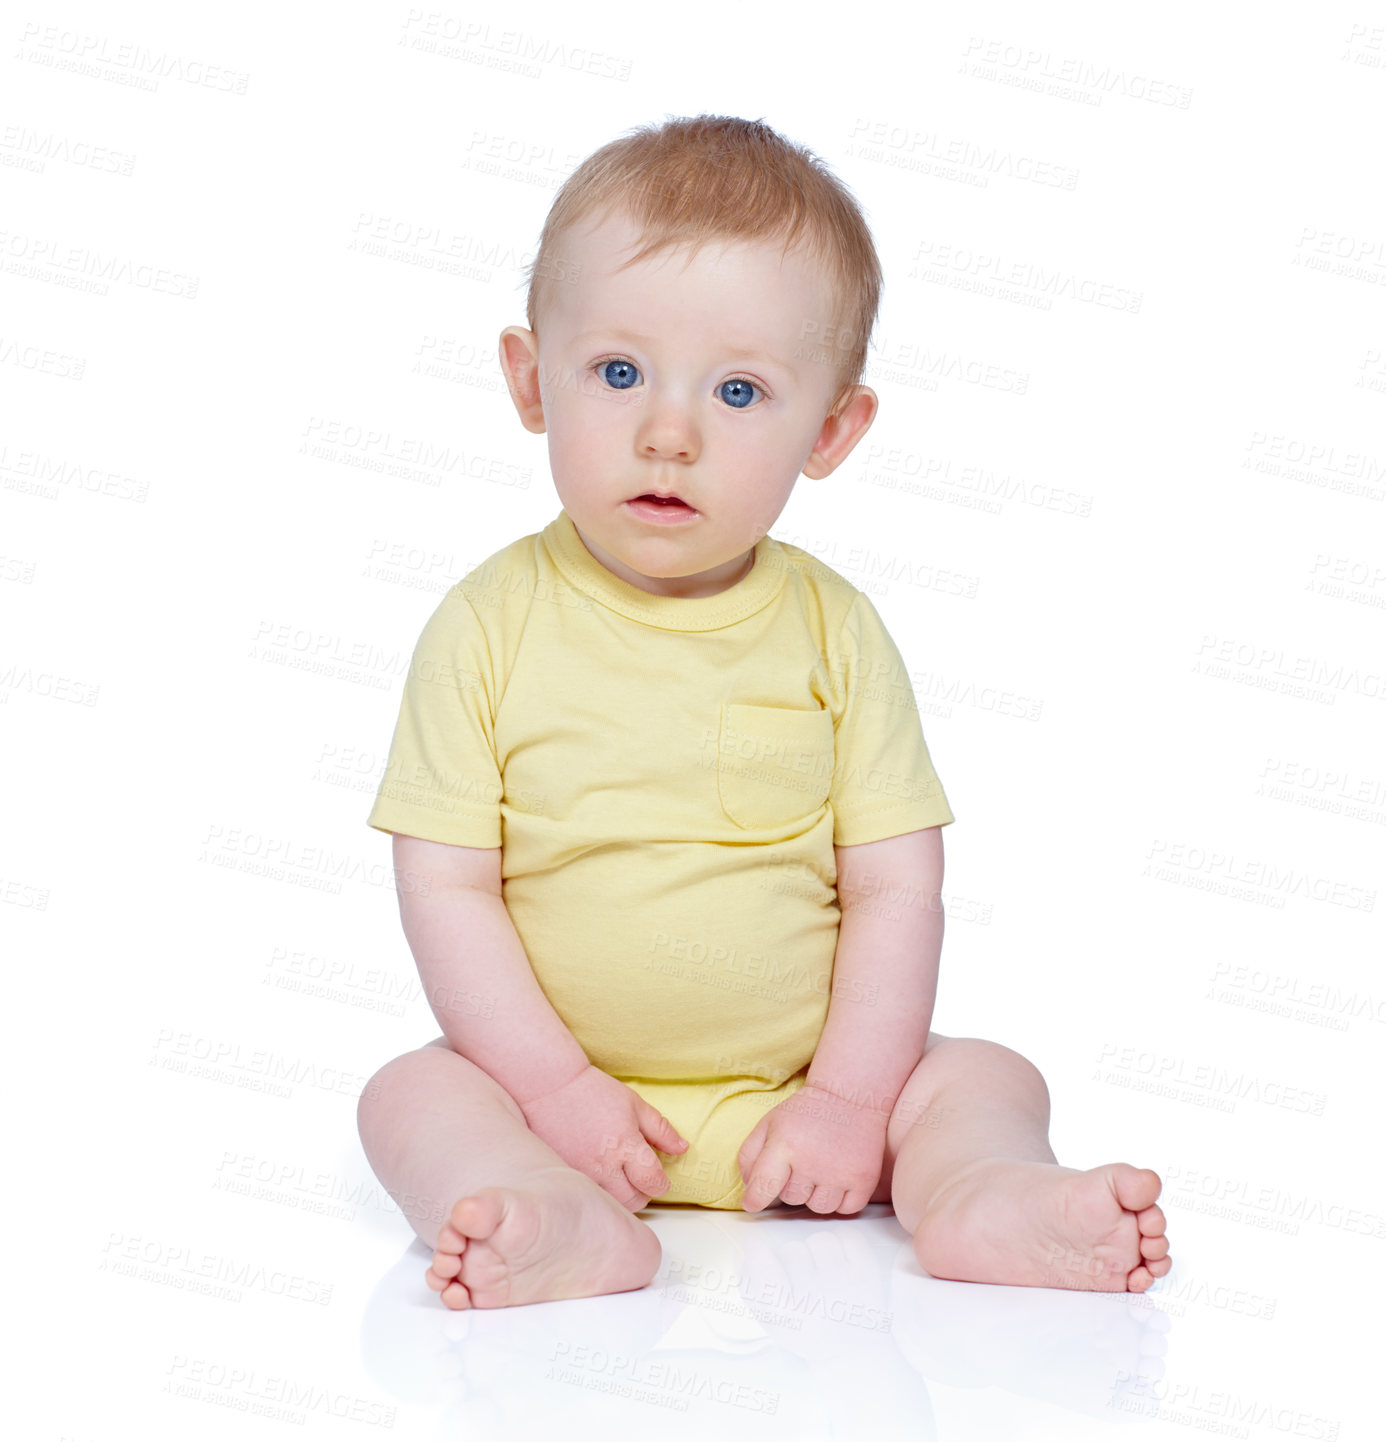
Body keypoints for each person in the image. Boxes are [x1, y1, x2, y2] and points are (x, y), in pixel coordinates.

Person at [356, 114, 1172, 1310]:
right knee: (407, 1097)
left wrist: (848, 1101)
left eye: (740, 390)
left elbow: (897, 883)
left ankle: (980, 1193)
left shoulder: (836, 633)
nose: (669, 432)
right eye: (618, 371)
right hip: (556, 1096)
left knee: (989, 1073)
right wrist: (556, 1093)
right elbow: (447, 887)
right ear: (533, 381)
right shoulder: (486, 627)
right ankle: (557, 1212)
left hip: (803, 1103)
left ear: (832, 431)